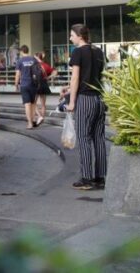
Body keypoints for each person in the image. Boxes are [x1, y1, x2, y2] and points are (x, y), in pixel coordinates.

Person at [60, 24, 106, 191]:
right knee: (99, 138)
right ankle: (100, 177)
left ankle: (86, 178)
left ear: (80, 36)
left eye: (72, 35)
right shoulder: (98, 51)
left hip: (85, 100)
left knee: (84, 138)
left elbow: (76, 77)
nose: (70, 38)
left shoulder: (78, 52)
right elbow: (94, 76)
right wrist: (69, 88)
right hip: (99, 99)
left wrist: (71, 102)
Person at [13, 45, 40, 129]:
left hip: (24, 84)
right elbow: (38, 71)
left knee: (27, 104)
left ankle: (30, 123)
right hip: (33, 84)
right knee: (33, 104)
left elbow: (18, 74)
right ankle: (33, 119)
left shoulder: (20, 61)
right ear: (28, 50)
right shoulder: (33, 59)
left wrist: (16, 85)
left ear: (21, 51)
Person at [34, 51, 56, 125]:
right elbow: (55, 72)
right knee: (43, 104)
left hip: (36, 85)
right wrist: (49, 77)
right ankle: (42, 119)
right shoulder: (46, 65)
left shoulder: (34, 65)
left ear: (37, 57)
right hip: (44, 84)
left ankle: (39, 116)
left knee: (33, 103)